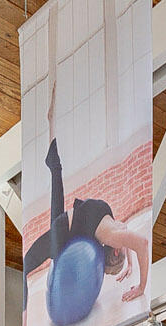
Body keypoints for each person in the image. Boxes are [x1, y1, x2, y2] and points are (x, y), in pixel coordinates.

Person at [21, 80, 150, 312]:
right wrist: (141, 286)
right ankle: (54, 164)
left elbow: (129, 240)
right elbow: (141, 242)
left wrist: (130, 263)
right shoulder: (112, 236)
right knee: (38, 259)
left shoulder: (118, 231)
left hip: (94, 211)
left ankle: (53, 151)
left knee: (56, 183)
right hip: (74, 223)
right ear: (114, 250)